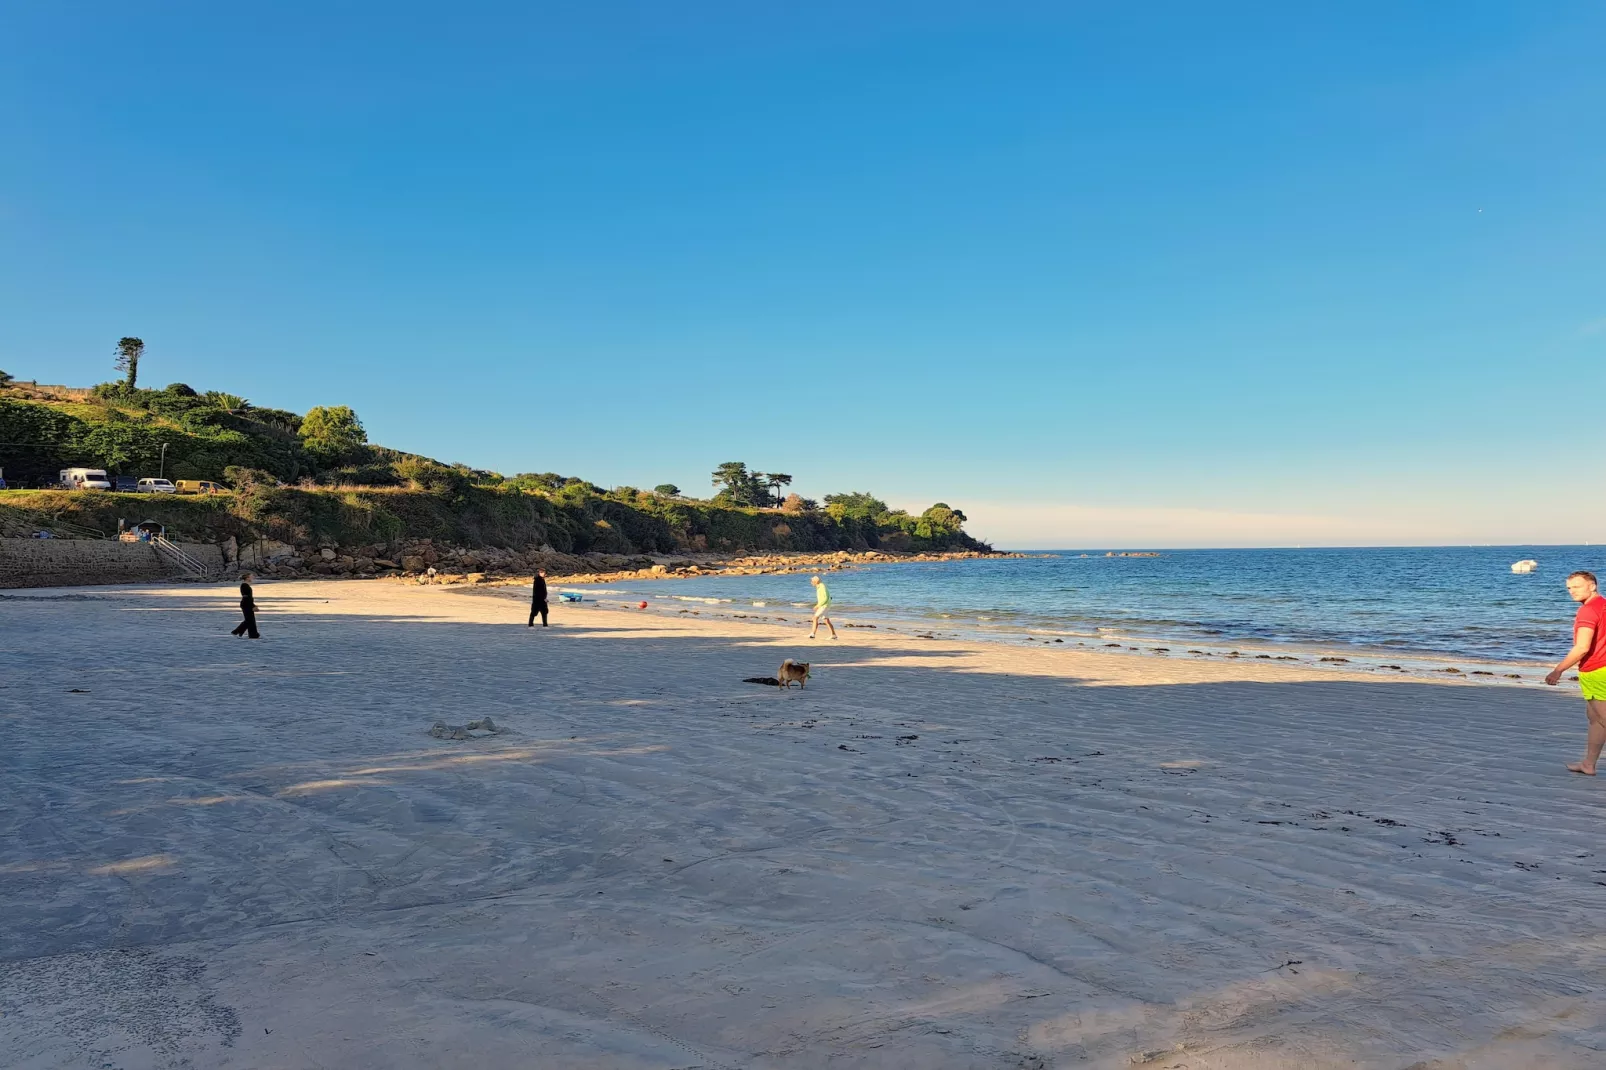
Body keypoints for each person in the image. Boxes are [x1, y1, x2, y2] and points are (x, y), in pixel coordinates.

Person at [1546, 570, 1606, 774]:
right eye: (1569, 588)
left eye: (1577, 587)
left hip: (1598, 670)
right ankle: (1588, 764)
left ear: (1592, 586)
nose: (1572, 591)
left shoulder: (1587, 611)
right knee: (1594, 717)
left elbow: (1582, 647)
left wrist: (1558, 670)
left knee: (1603, 717)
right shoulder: (1603, 605)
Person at [231, 572, 260, 639]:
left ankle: (253, 634)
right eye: (251, 576)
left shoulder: (246, 585)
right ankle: (236, 631)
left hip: (247, 603)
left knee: (251, 620)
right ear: (247, 578)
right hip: (246, 604)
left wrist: (253, 604)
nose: (253, 577)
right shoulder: (244, 585)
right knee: (249, 620)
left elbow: (248, 597)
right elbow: (247, 597)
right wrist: (253, 605)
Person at [808, 574, 837, 639]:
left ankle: (813, 634)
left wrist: (818, 605)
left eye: (812, 581)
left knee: (815, 618)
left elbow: (825, 598)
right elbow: (827, 597)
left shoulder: (822, 586)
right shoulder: (819, 587)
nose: (811, 583)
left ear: (815, 582)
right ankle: (833, 635)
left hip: (824, 605)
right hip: (825, 605)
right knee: (826, 620)